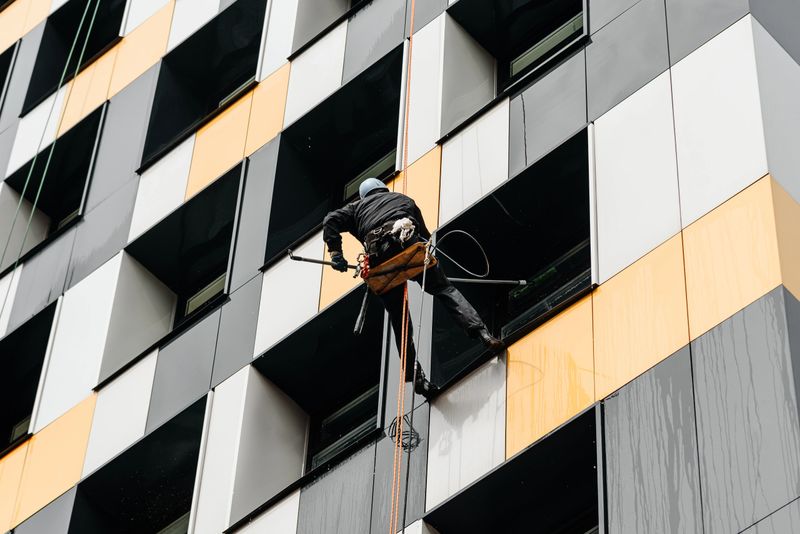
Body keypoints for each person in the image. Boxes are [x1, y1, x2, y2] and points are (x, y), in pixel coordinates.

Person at [323, 177, 504, 399]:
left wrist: (336, 253)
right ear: (383, 189)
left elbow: (331, 219)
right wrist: (431, 265)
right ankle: (483, 335)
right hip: (411, 248)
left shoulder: (356, 208)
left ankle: (416, 378)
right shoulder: (404, 199)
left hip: (381, 261)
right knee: (445, 290)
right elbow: (426, 237)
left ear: (364, 195)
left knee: (400, 321)